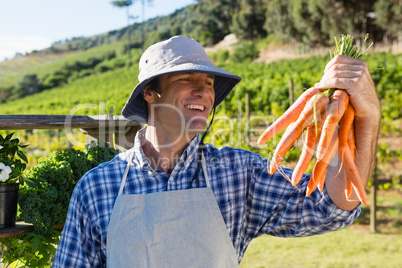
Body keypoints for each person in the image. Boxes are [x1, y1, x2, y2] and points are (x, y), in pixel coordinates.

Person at [53, 35, 380, 267]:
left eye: (209, 82)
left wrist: (366, 118)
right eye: (186, 78)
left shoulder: (240, 174)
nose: (203, 90)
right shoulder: (96, 187)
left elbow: (331, 208)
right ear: (150, 92)